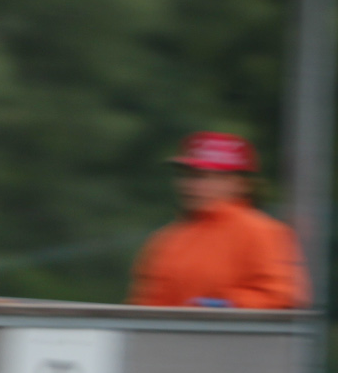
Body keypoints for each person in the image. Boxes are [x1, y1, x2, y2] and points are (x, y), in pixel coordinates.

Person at [128, 132, 307, 309]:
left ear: (240, 184)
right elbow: (147, 306)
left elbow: (283, 295)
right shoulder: (166, 239)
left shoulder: (264, 232)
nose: (189, 185)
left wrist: (223, 306)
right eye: (185, 175)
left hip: (235, 329)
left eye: (202, 177)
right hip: (176, 329)